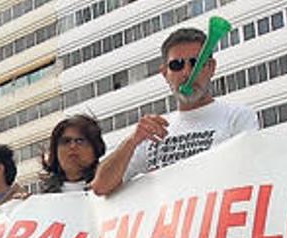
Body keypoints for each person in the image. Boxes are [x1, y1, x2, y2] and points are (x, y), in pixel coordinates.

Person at [91, 27, 259, 196]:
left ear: (211, 67)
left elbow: (250, 171)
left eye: (196, 63)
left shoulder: (237, 116)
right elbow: (100, 186)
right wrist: (132, 141)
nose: (187, 72)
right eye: (176, 65)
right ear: (165, 74)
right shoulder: (153, 131)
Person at [41, 115, 106, 194]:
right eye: (66, 141)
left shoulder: (112, 187)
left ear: (95, 148)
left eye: (80, 141)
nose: (72, 146)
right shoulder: (44, 198)